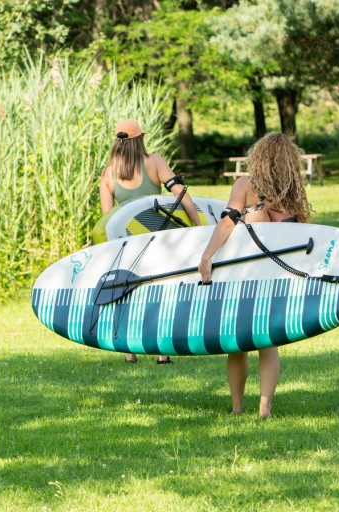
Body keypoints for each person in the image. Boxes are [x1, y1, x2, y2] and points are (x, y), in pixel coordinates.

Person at [198, 132, 313, 418]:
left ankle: (237, 407)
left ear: (258, 157)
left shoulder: (245, 185)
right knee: (267, 343)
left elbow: (228, 222)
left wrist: (207, 256)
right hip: (274, 278)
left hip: (243, 275)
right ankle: (264, 409)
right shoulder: (291, 192)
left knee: (236, 344)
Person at [99, 118, 202, 364]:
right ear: (140, 139)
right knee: (160, 290)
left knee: (128, 293)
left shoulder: (108, 173)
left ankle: (129, 351)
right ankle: (162, 352)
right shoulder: (154, 162)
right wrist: (198, 226)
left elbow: (107, 220)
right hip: (157, 239)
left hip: (127, 245)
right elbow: (181, 193)